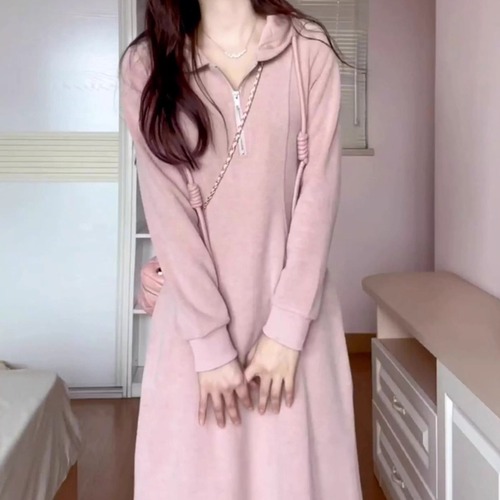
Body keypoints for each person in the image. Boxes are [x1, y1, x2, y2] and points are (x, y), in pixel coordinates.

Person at [120, 0, 362, 498]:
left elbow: (318, 197)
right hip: (195, 336)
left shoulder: (307, 50)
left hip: (294, 330)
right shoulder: (146, 66)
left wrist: (287, 331)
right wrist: (210, 346)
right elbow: (168, 216)